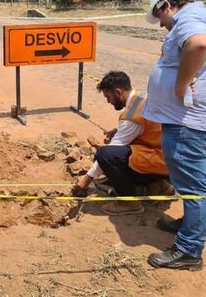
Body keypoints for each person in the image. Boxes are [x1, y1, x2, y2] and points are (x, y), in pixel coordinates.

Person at [143, 0, 206, 271]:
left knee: (194, 187)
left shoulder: (187, 20)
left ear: (167, 6)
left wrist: (180, 84)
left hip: (186, 123)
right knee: (202, 180)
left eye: (161, 19)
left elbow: (200, 43)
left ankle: (189, 250)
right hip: (196, 119)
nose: (163, 26)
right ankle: (192, 225)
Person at [73, 71, 173, 215]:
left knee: (104, 155)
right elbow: (146, 131)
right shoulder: (142, 97)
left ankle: (129, 202)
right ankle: (157, 186)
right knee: (113, 154)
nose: (108, 101)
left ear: (118, 92)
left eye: (108, 97)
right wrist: (117, 132)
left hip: (160, 162)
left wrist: (87, 178)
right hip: (167, 158)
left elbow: (114, 149)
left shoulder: (131, 115)